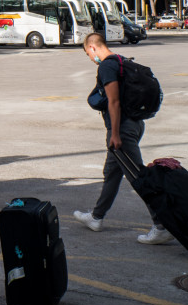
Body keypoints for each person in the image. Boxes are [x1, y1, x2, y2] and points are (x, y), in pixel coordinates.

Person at [72, 33, 173, 245]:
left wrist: (115, 133)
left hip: (122, 130)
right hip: (135, 124)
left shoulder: (107, 66)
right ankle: (96, 217)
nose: (91, 58)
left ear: (92, 48)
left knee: (138, 177)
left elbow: (114, 101)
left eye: (88, 54)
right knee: (112, 173)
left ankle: (161, 226)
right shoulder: (122, 61)